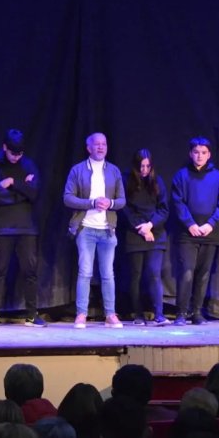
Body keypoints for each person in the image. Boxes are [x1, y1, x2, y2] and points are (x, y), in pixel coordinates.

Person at [63, 132, 126, 329]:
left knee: (108, 274)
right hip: (86, 229)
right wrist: (91, 202)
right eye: (96, 144)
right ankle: (81, 314)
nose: (101, 147)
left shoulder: (114, 171)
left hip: (108, 230)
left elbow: (122, 200)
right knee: (85, 272)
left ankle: (110, 315)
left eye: (104, 144)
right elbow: (68, 197)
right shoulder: (78, 170)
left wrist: (111, 202)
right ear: (88, 147)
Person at [0, 129, 43, 327]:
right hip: (2, 227)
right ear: (4, 147)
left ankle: (32, 314)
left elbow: (34, 194)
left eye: (20, 154)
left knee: (30, 271)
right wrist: (21, 191)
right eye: (13, 153)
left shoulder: (28, 164)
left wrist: (12, 183)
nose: (16, 158)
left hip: (27, 227)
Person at [171, 137, 219, 325]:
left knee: (203, 275)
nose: (200, 156)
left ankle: (196, 312)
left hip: (209, 233)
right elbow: (178, 202)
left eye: (204, 153)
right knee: (187, 272)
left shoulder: (218, 177)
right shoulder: (181, 175)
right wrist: (190, 224)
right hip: (188, 234)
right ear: (190, 153)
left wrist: (210, 224)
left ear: (209, 154)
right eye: (196, 152)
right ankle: (181, 313)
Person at [123, 149, 170, 326]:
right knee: (135, 276)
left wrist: (150, 225)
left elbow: (164, 209)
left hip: (155, 233)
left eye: (147, 166)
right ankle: (138, 314)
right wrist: (141, 228)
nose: (144, 169)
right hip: (135, 232)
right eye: (141, 166)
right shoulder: (127, 180)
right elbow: (125, 208)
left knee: (153, 273)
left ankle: (159, 314)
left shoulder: (157, 182)